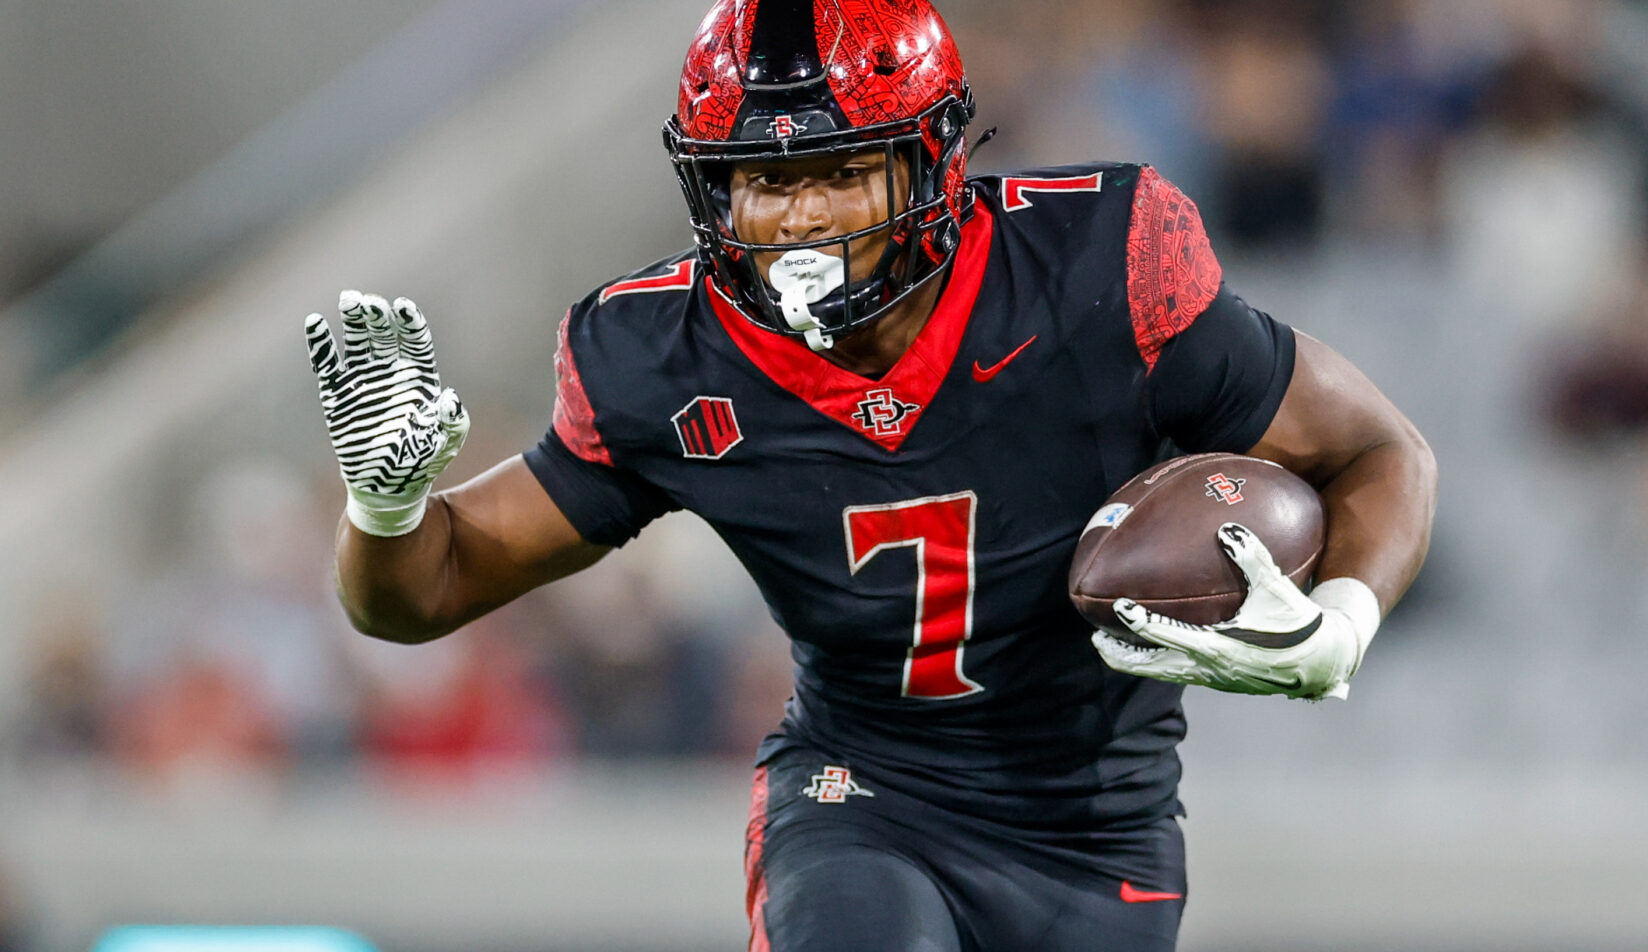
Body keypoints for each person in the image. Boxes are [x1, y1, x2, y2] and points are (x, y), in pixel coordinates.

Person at [303, 1, 1437, 949]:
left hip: (1098, 822)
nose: (798, 219)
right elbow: (424, 593)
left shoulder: (1096, 270)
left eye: (839, 173)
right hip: (863, 791)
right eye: (761, 179)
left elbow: (1381, 451)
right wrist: (388, 508)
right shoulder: (662, 357)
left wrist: (1343, 612)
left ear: (929, 161)